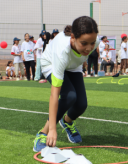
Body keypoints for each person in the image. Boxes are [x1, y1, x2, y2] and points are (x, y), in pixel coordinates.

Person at [33, 16, 100, 152]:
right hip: (51, 64)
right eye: (84, 43)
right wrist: (52, 129)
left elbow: (83, 53)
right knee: (69, 96)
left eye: (92, 43)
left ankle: (67, 121)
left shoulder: (95, 41)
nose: (89, 48)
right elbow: (54, 94)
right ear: (73, 37)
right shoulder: (61, 50)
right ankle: (42, 133)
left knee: (81, 104)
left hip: (73, 67)